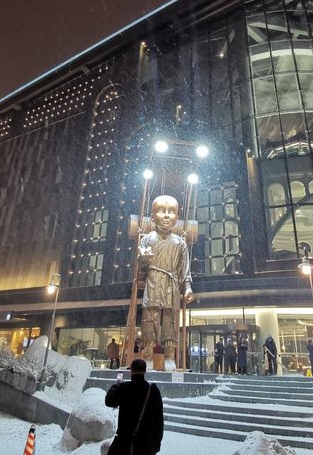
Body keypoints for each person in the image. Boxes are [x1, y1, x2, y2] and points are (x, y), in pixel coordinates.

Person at [138, 195, 194, 366]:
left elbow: (184, 268)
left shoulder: (180, 243)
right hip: (153, 283)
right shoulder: (147, 239)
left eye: (171, 212)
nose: (167, 215)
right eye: (161, 211)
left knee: (170, 321)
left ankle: (170, 357)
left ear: (177, 218)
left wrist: (188, 287)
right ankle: (147, 356)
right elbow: (141, 269)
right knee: (150, 319)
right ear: (152, 216)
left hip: (171, 286)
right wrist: (143, 260)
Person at [105, 359, 163, 455]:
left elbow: (109, 401)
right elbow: (159, 419)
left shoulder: (124, 388)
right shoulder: (153, 390)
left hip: (124, 442)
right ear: (145, 371)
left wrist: (115, 386)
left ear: (131, 370)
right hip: (145, 444)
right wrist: (156, 444)